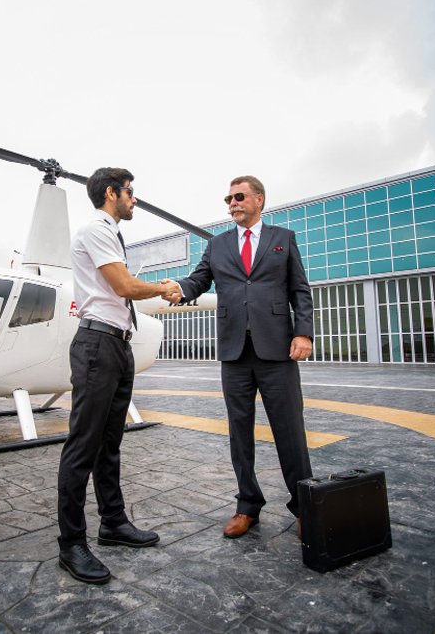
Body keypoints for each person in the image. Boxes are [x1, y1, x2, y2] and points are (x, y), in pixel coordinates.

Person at [165, 175, 313, 538]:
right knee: (239, 432)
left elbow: (299, 289)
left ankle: (305, 506)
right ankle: (247, 506)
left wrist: (303, 332)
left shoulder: (283, 238)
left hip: (277, 349)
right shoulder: (218, 245)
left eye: (239, 197)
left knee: (290, 431)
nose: (232, 203)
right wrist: (178, 288)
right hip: (234, 352)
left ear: (258, 199)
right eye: (228, 199)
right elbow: (198, 280)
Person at [57, 167, 178, 584]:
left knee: (109, 444)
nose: (134, 199)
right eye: (130, 192)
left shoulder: (110, 232)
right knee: (83, 446)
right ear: (112, 193)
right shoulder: (96, 230)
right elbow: (124, 286)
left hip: (117, 345)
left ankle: (113, 522)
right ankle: (71, 543)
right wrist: (162, 287)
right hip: (97, 346)